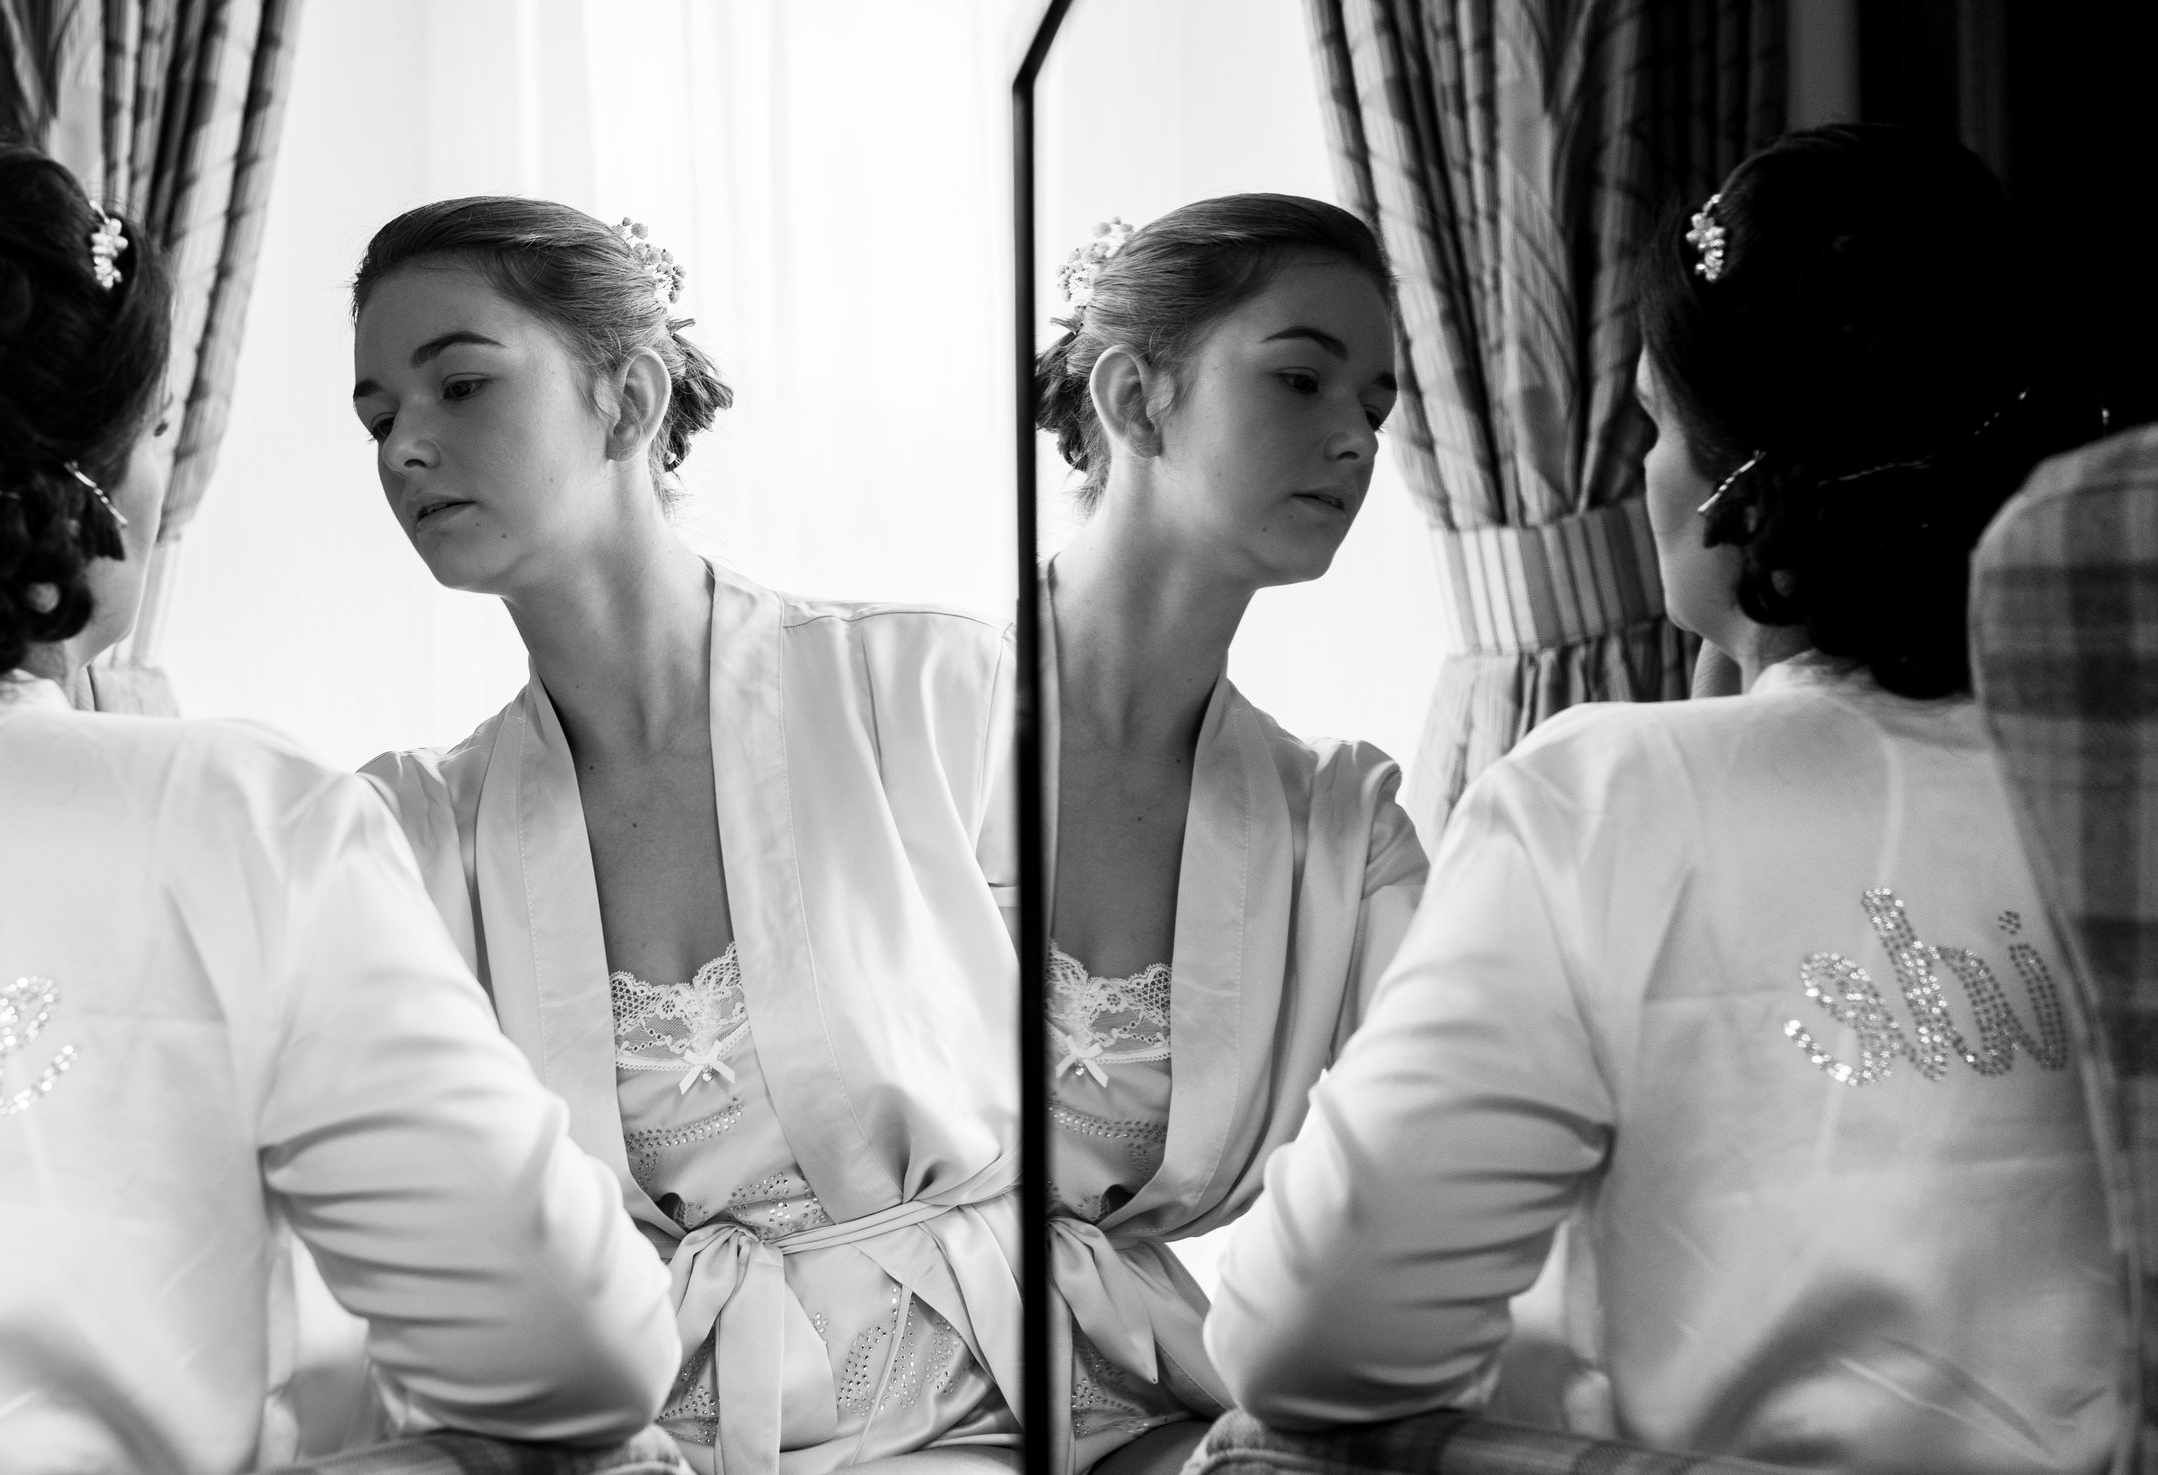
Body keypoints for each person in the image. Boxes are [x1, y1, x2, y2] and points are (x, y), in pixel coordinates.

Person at [0, 127, 681, 1474]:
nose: (408, 452)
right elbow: (578, 1352)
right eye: (162, 425)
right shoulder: (239, 814)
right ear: (88, 488)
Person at [1205, 124, 2125, 1472]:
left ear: (1737, 487)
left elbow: (1307, 1338)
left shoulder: (1609, 802)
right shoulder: (2121, 789)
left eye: (1648, 423)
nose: (1638, 472)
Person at [352, 199, 1021, 1475]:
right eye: (379, 416)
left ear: (630, 396)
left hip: (973, 1412)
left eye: (461, 384)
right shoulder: (417, 831)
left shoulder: (933, 691)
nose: (406, 449)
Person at [1026, 197, 1429, 1475]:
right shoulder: (872, 720)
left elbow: (1430, 1184)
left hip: (1148, 1417)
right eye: (1301, 376)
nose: (1355, 436)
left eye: (1377, 400)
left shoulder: (1343, 827)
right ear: (1136, 402)